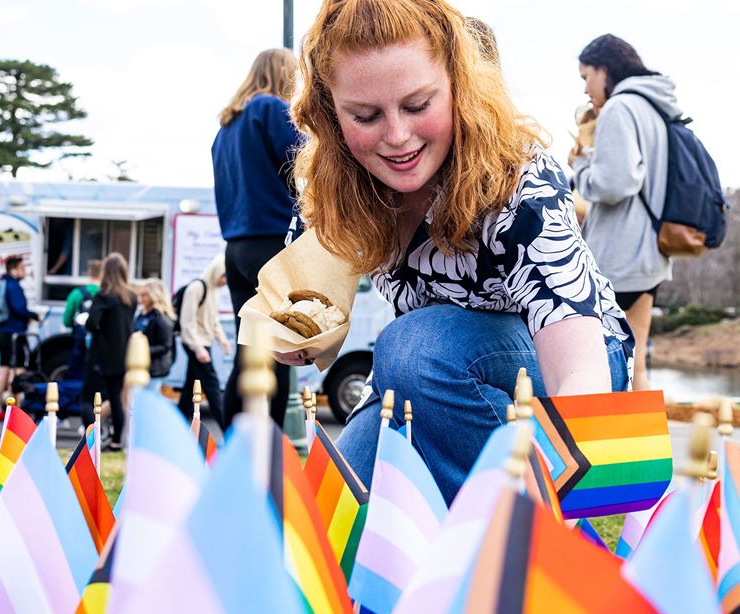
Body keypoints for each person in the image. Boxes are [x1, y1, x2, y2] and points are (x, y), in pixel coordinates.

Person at [282, 0, 633, 503]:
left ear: (458, 85)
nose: (397, 137)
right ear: (328, 113)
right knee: (330, 519)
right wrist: (295, 340)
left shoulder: (520, 180)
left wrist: (570, 480)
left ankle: (518, 527)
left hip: (574, 364)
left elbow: (579, 367)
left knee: (415, 347)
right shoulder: (333, 188)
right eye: (365, 115)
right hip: (427, 378)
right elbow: (296, 328)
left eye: (418, 105)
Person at [569, 34, 678, 391]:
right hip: (649, 256)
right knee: (638, 367)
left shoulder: (620, 107)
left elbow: (615, 184)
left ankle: (599, 448)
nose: (586, 88)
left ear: (604, 69)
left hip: (617, 260)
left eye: (586, 76)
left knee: (598, 368)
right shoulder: (655, 107)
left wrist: (581, 167)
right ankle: (649, 449)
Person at [212, 48, 301, 430]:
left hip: (236, 250)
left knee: (248, 352)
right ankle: (272, 445)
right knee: (278, 350)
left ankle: (233, 443)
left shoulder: (225, 130)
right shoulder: (269, 109)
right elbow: (303, 161)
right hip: (272, 245)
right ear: (284, 75)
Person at [82, 253, 136, 451]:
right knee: (116, 399)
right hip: (123, 356)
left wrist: (98, 328)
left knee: (87, 398)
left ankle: (89, 440)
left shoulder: (104, 296)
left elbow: (91, 323)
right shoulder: (131, 297)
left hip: (101, 356)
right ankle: (116, 441)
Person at [177, 255, 231, 428]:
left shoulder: (213, 290)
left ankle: (177, 427)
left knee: (189, 389)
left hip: (203, 343)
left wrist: (222, 340)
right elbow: (187, 322)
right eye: (224, 276)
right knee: (212, 386)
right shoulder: (196, 288)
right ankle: (227, 429)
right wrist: (198, 348)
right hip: (195, 343)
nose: (225, 281)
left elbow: (213, 319)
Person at [0, 254, 37, 420]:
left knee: (4, 367)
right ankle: (14, 411)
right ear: (14, 269)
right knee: (17, 369)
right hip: (15, 333)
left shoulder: (3, 283)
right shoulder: (14, 286)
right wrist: (34, 315)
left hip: (4, 332)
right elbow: (19, 308)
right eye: (23, 268)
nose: (25, 271)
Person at [62, 259, 102, 378]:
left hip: (80, 341)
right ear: (103, 274)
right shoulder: (106, 294)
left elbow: (67, 321)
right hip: (100, 344)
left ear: (89, 273)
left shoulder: (77, 293)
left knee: (77, 374)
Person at [134, 278, 176, 391]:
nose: (141, 298)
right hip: (141, 365)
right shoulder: (142, 314)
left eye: (145, 295)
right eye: (140, 295)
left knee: (149, 400)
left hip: (155, 368)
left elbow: (165, 345)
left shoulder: (161, 318)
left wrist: (144, 350)